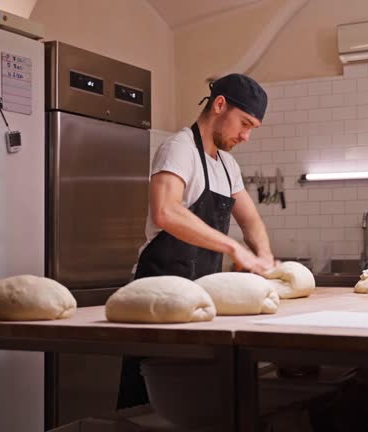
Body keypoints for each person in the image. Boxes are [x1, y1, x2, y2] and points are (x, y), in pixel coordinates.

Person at [117, 73, 275, 409]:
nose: (246, 136)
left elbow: (250, 220)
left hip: (199, 302)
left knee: (191, 402)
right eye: (244, 124)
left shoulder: (227, 164)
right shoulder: (178, 149)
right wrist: (233, 248)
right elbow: (166, 212)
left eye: (252, 129)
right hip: (159, 297)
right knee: (149, 402)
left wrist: (265, 257)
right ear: (220, 105)